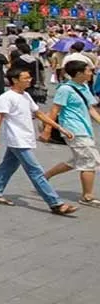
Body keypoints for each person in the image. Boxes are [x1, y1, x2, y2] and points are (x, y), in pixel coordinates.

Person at [0, 66, 77, 215]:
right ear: (15, 80)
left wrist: (59, 128)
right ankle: (55, 203)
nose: (29, 80)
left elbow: (39, 113)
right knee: (36, 171)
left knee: (8, 166)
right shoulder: (7, 97)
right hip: (17, 139)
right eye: (25, 78)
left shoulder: (26, 96)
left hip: (25, 138)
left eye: (29, 78)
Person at [43, 58, 100, 207]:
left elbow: (91, 109)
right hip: (73, 129)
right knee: (90, 160)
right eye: (88, 70)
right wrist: (48, 130)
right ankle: (87, 196)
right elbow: (55, 110)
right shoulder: (65, 89)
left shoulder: (84, 87)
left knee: (78, 159)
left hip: (85, 128)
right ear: (79, 73)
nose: (91, 73)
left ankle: (45, 176)